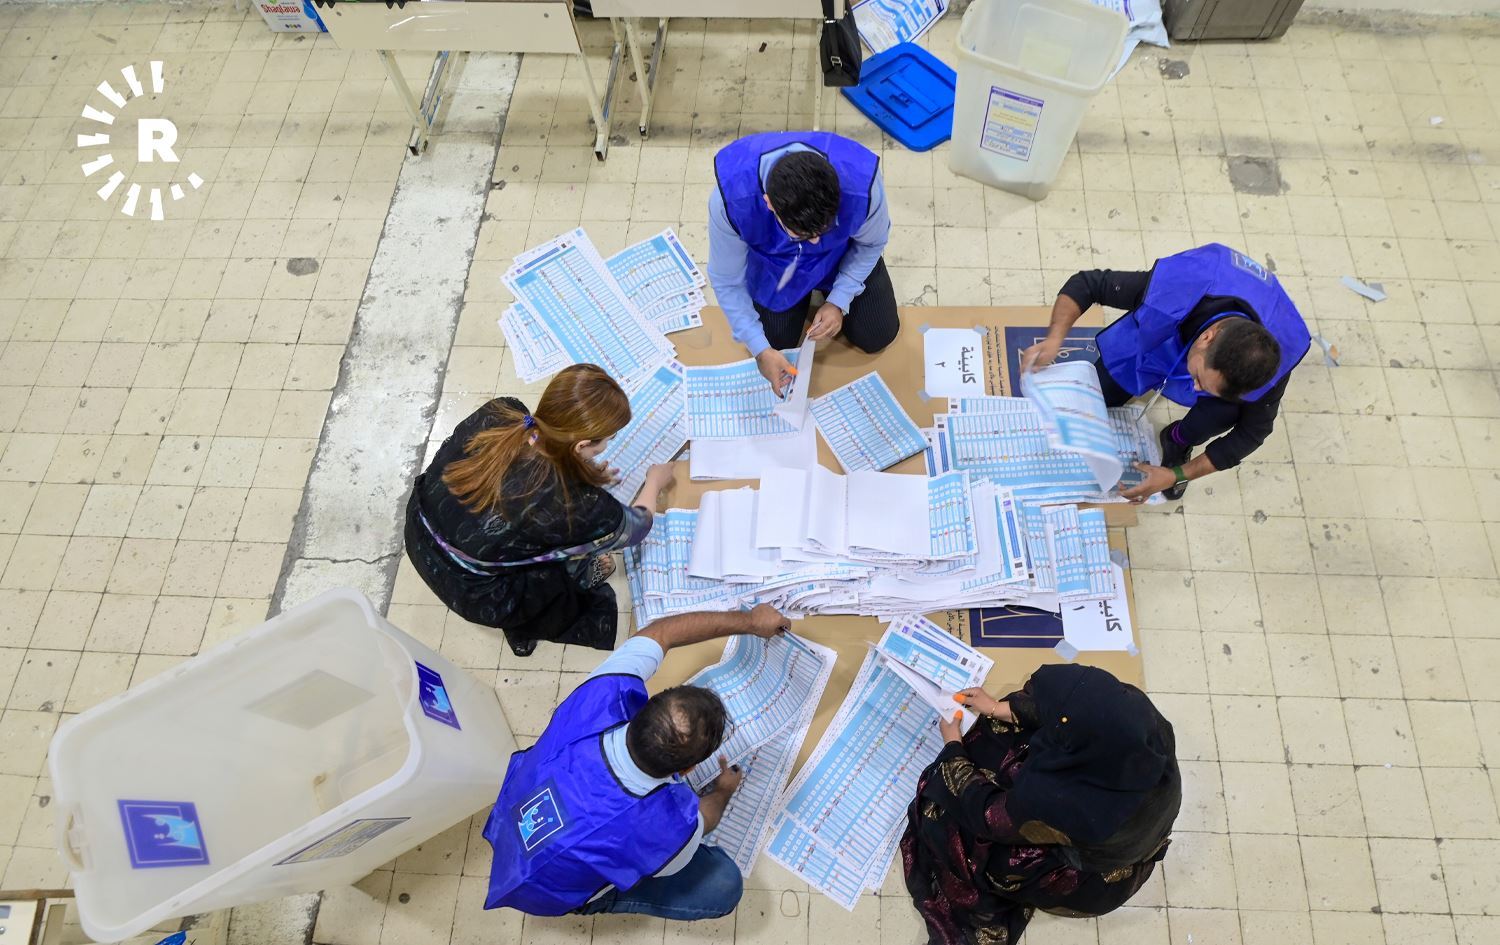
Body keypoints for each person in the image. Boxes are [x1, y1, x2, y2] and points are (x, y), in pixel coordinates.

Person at [482, 604, 792, 919]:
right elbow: (704, 820)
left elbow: (662, 633)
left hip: (510, 817)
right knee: (723, 884)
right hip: (552, 892)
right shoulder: (666, 827)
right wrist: (724, 790)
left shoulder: (602, 692)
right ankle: (598, 901)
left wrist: (751, 621)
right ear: (687, 769)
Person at [403, 364, 674, 658]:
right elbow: (637, 527)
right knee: (555, 577)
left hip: (420, 534)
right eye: (609, 438)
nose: (607, 445)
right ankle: (524, 628)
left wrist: (578, 468)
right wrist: (655, 481)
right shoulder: (575, 504)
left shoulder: (501, 412)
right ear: (582, 445)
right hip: (477, 591)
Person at [901, 664, 1181, 945]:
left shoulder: (1063, 799)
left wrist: (952, 748)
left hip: (1086, 875)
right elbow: (1072, 704)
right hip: (1133, 834)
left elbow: (989, 817)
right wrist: (998, 708)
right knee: (1025, 730)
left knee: (952, 826)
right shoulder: (1141, 721)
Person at [1024, 243, 1310, 501]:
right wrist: (1055, 337)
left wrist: (1176, 475)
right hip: (1175, 323)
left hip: (1231, 338)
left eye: (1205, 387)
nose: (1194, 389)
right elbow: (1088, 283)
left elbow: (1252, 434)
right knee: (1099, 394)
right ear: (1206, 337)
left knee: (1221, 414)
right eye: (1199, 379)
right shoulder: (1180, 288)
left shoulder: (1272, 362)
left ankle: (1178, 439)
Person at [709, 130, 899, 395]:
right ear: (769, 203)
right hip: (775, 265)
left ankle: (825, 288)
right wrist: (760, 349)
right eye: (802, 235)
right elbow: (727, 281)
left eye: (823, 230)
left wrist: (839, 299)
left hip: (840, 255)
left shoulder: (862, 187)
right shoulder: (731, 200)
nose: (814, 242)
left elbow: (871, 244)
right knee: (775, 343)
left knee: (878, 333)